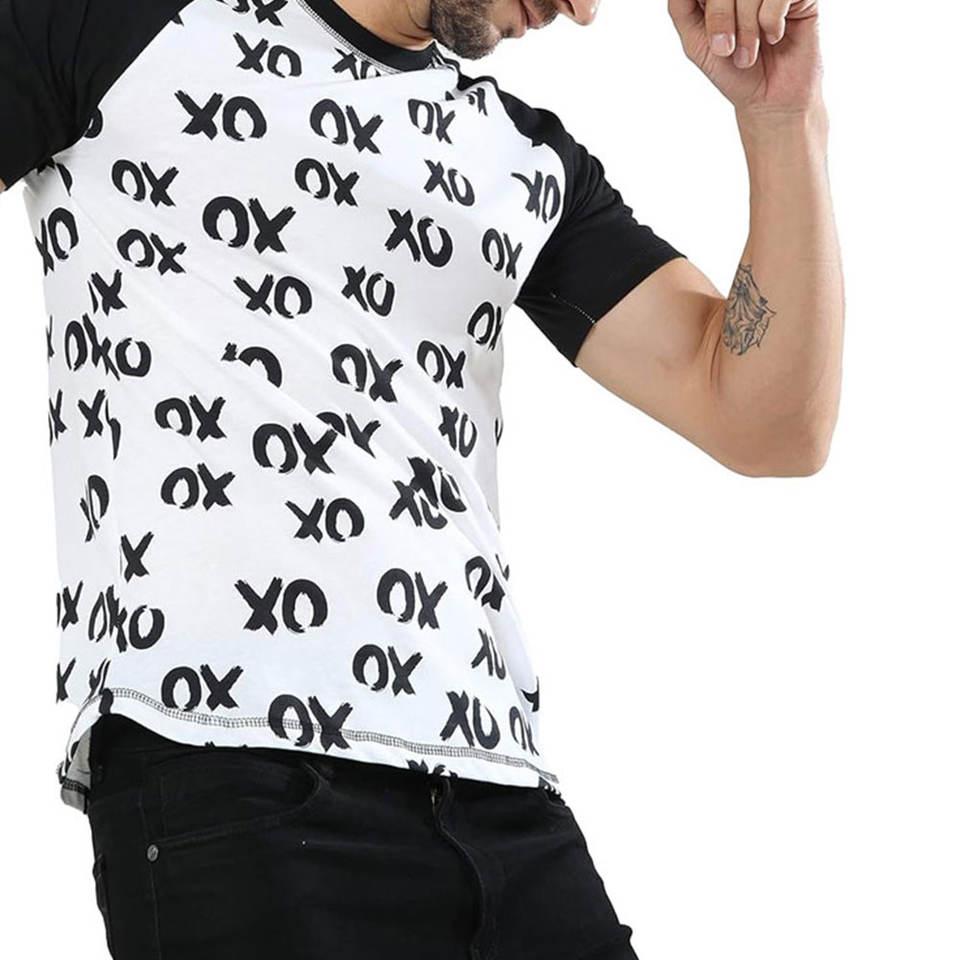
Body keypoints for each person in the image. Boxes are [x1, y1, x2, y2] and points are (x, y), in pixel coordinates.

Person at [0, 0, 842, 957]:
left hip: (500, 789)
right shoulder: (121, 22)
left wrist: (784, 121)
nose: (583, 10)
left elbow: (771, 425)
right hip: (223, 759)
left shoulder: (521, 158)